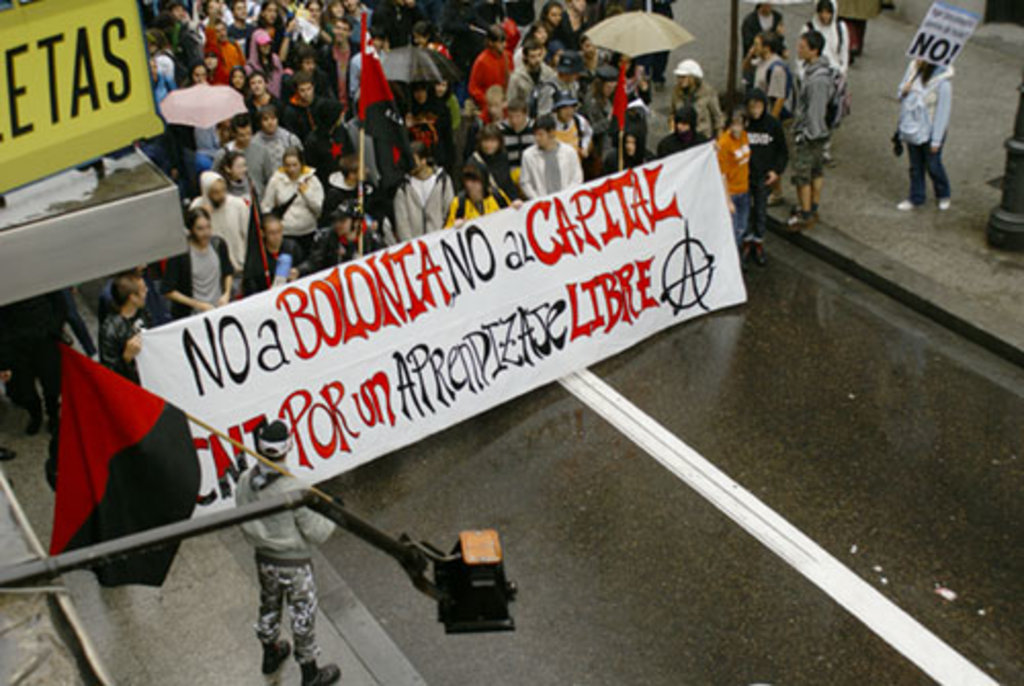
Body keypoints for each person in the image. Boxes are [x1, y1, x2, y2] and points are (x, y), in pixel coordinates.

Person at [236, 420, 341, 686]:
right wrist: (333, 513)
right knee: (302, 614)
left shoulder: (245, 481)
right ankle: (310, 673)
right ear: (288, 446)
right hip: (294, 564)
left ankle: (270, 653)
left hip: (264, 560)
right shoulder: (293, 489)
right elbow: (317, 532)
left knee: (269, 606)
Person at [0, 293, 65, 435]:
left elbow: (59, 301)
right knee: (24, 389)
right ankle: (36, 415)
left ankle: (53, 415)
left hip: (44, 339)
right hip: (16, 344)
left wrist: (53, 329)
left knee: (51, 383)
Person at [787, 31, 833, 232]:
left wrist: (806, 135)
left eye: (803, 46)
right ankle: (811, 206)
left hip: (810, 134)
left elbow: (814, 111)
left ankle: (806, 213)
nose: (799, 49)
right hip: (818, 132)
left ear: (813, 50)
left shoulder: (817, 79)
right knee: (816, 170)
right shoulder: (818, 72)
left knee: (803, 174)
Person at [896, 60, 953, 211]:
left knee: (933, 165)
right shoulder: (913, 69)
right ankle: (916, 197)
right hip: (913, 127)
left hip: (931, 130)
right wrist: (904, 91)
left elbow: (943, 113)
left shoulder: (943, 83)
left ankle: (943, 194)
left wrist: (936, 140)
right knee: (915, 166)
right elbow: (900, 94)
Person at [162, 207, 234, 319]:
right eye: (200, 229)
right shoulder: (181, 254)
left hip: (219, 309)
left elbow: (228, 272)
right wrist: (197, 304)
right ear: (191, 230)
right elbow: (168, 290)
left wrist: (227, 294)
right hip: (192, 315)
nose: (206, 233)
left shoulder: (218, 244)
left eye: (208, 227)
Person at [745, 89, 788, 265]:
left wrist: (776, 171)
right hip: (745, 176)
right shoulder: (744, 124)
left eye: (759, 106)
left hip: (763, 177)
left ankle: (759, 242)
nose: (755, 110)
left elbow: (782, 152)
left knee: (761, 212)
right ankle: (747, 242)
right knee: (746, 212)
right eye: (752, 106)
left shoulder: (773, 125)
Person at [262, 147, 324, 254]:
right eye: (288, 165)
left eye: (295, 165)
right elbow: (266, 206)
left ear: (301, 164)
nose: (291, 169)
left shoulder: (312, 180)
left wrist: (306, 193)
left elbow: (319, 208)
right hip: (285, 233)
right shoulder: (276, 180)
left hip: (308, 232)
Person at [392, 141, 455, 242]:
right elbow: (402, 224)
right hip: (415, 248)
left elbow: (450, 212)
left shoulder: (443, 181)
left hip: (440, 244)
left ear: (423, 160)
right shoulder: (403, 188)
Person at [190, 171, 250, 275]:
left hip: (238, 267)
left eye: (223, 190)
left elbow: (247, 235)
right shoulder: (197, 207)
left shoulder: (238, 205)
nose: (221, 195)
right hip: (211, 270)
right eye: (216, 192)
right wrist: (203, 215)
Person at [299, 203, 383, 274]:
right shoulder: (326, 237)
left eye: (342, 221)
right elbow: (314, 262)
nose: (337, 224)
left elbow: (384, 261)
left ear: (356, 222)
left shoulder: (372, 238)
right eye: (336, 220)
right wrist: (299, 270)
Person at [99, 272, 150, 384]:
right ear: (133, 298)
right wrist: (126, 357)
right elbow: (109, 373)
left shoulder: (142, 312)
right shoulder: (110, 330)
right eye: (143, 290)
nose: (147, 290)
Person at [519, 114, 583, 199]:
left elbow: (577, 178)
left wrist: (566, 196)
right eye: (535, 135)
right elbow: (525, 182)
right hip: (542, 203)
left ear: (552, 133)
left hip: (567, 201)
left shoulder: (569, 152)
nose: (537, 138)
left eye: (541, 134)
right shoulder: (528, 155)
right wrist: (537, 199)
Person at [216, 114, 276, 196]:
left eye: (249, 134)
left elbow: (269, 179)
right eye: (242, 135)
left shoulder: (262, 151)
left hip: (257, 201)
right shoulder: (223, 154)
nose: (246, 138)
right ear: (234, 134)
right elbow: (215, 179)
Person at [717, 110, 751, 254]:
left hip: (744, 189)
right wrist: (728, 200)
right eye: (733, 124)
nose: (736, 128)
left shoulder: (744, 136)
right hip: (732, 192)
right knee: (733, 230)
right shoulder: (724, 143)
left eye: (739, 124)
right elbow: (722, 173)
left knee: (741, 227)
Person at [243, 213, 304, 293]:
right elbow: (251, 285)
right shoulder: (257, 256)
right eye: (272, 233)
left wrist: (298, 271)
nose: (276, 236)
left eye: (279, 231)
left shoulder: (292, 247)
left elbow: (304, 268)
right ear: (263, 233)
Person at [304, 99, 355, 188]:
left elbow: (350, 153)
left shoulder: (341, 130)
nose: (342, 115)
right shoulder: (312, 141)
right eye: (339, 114)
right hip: (324, 184)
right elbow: (311, 169)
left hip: (345, 181)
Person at [670, 59, 724, 141]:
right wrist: (672, 129)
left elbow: (717, 116)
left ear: (693, 77)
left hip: (702, 136)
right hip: (682, 136)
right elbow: (672, 113)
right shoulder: (676, 92)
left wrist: (720, 139)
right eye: (678, 77)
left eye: (683, 77)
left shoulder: (707, 92)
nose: (680, 80)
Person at [468, 124, 521, 203]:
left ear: (499, 142)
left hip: (503, 205)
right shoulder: (473, 162)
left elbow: (508, 183)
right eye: (486, 141)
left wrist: (515, 200)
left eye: (493, 141)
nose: (489, 145)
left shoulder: (503, 157)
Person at [507, 38, 558, 119]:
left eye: (539, 55)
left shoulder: (549, 73)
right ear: (525, 57)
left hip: (545, 116)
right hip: (524, 117)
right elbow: (511, 102)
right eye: (533, 56)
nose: (537, 60)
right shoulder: (516, 77)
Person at [444, 164, 507, 229]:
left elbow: (511, 217)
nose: (470, 185)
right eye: (467, 181)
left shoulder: (498, 196)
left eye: (474, 180)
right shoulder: (459, 203)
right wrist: (454, 227)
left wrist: (516, 207)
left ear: (484, 182)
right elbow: (446, 232)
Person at [468, 24, 512, 113]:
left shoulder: (508, 57)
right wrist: (488, 101)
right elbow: (473, 88)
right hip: (488, 108)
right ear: (491, 43)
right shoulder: (481, 61)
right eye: (500, 42)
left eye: (504, 42)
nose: (504, 45)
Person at [498, 99, 535, 183]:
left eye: (518, 116)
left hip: (531, 173)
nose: (514, 121)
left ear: (525, 115)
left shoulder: (535, 128)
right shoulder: (500, 130)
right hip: (508, 175)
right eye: (511, 117)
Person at [257, 104, 304, 168]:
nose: (270, 122)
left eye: (273, 118)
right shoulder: (254, 143)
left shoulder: (290, 139)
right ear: (260, 122)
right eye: (265, 119)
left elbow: (302, 163)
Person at [551, 91, 593, 162]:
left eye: (571, 107)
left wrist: (584, 146)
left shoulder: (579, 121)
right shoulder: (549, 124)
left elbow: (588, 134)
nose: (569, 111)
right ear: (557, 110)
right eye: (564, 108)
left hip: (575, 166)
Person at [283, 72, 321, 144]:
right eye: (302, 90)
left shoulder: (320, 103)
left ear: (313, 87)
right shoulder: (290, 111)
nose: (307, 93)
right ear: (296, 91)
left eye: (309, 89)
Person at [247, 28, 287, 98]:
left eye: (268, 43)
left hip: (278, 101)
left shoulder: (275, 59)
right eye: (263, 44)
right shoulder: (250, 67)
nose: (267, 47)